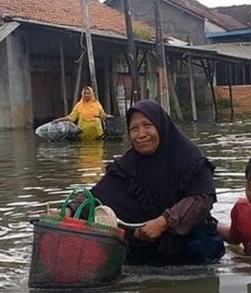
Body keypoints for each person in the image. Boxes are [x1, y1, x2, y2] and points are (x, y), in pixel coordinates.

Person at [64, 100, 224, 265]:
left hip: (192, 250)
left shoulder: (190, 158)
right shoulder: (127, 165)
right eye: (134, 129)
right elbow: (97, 196)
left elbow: (202, 199)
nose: (141, 134)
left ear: (160, 126)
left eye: (147, 125)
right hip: (144, 251)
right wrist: (68, 210)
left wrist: (163, 222)